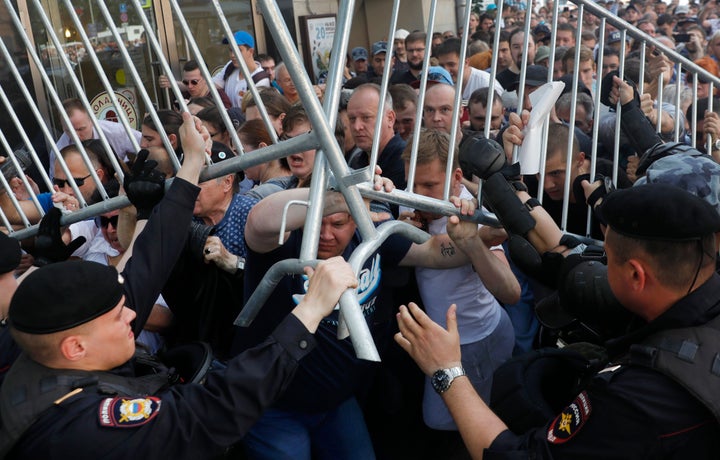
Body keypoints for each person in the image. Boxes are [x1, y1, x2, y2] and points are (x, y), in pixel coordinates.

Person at [394, 183, 720, 458]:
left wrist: (446, 370)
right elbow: (564, 259)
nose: (601, 269)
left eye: (607, 260)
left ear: (636, 274)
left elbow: (517, 455)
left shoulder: (636, 400)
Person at [1, 255, 358, 459]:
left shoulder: (41, 359)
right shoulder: (79, 427)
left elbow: (142, 268)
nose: (132, 317)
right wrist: (309, 312)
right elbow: (209, 414)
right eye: (117, 316)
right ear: (75, 347)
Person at [400, 129, 518, 433]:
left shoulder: (471, 210)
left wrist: (473, 241)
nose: (417, 192)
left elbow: (510, 291)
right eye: (411, 182)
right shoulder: (404, 199)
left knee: (452, 424)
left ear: (455, 176)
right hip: (454, 340)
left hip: (474, 340)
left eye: (428, 184)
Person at [347, 83, 407, 191]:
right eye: (352, 119)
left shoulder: (406, 159)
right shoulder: (357, 160)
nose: (357, 127)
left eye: (366, 117)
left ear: (390, 118)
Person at [56, 98, 141, 165]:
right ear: (62, 127)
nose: (76, 136)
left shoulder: (115, 132)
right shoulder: (59, 150)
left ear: (92, 121)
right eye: (68, 131)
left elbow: (147, 146)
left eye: (81, 129)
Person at [214, 31, 271, 108]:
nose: (233, 55)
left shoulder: (260, 80)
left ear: (251, 51)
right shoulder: (230, 66)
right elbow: (211, 87)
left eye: (238, 50)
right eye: (231, 50)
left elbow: (254, 111)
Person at [159, 60, 232, 109]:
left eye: (194, 82)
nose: (189, 86)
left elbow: (226, 124)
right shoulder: (184, 95)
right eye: (186, 82)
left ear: (206, 79)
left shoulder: (219, 98)